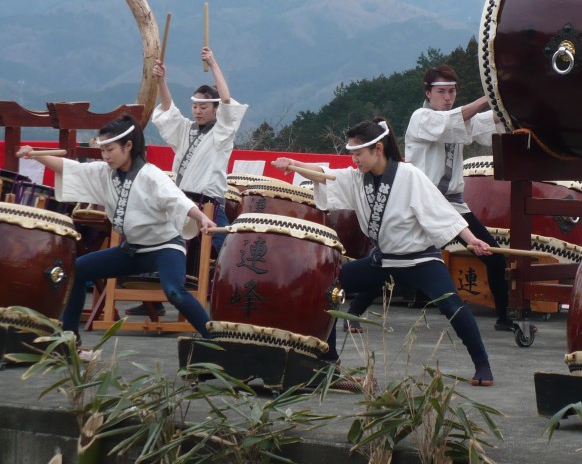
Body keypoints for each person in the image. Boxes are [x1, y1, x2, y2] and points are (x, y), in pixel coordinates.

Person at [272, 117, 496, 385]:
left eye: (358, 154)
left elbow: (443, 212)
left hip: (420, 260)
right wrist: (293, 165)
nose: (355, 160)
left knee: (452, 306)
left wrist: (471, 240)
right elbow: (324, 174)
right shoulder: (358, 179)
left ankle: (482, 364)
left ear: (378, 149)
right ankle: (329, 362)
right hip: (384, 261)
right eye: (352, 154)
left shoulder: (409, 176)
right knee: (328, 286)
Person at [16, 115, 216, 352]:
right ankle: (69, 339)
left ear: (128, 145)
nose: (106, 156)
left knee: (174, 292)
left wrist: (202, 217)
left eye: (110, 149)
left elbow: (178, 200)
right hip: (131, 250)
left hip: (164, 247)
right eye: (103, 150)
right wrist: (36, 156)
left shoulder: (152, 175)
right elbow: (73, 170)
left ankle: (217, 342)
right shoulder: (105, 173)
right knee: (77, 271)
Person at [346, 65, 512, 332]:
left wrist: (510, 104)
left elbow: (487, 121)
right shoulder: (421, 118)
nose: (447, 97)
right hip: (419, 204)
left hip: (453, 203)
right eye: (441, 92)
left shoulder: (457, 118)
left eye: (452, 92)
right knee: (390, 261)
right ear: (428, 92)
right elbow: (451, 123)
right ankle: (354, 311)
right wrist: (491, 97)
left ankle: (504, 318)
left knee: (493, 255)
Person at [131, 48, 248, 317]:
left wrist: (213, 63)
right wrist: (161, 80)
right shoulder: (186, 129)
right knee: (162, 243)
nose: (197, 110)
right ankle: (154, 298)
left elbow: (228, 99)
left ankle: (245, 294)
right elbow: (168, 110)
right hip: (182, 200)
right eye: (195, 105)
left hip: (209, 203)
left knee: (231, 249)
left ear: (216, 109)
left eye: (204, 106)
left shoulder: (222, 132)